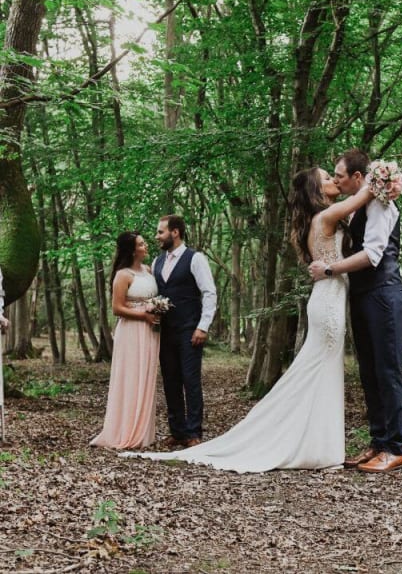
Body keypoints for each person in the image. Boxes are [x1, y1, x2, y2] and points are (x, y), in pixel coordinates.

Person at [126, 168, 376, 471]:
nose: (334, 181)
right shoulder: (327, 216)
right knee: (319, 369)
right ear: (315, 190)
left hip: (330, 299)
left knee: (323, 370)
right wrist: (384, 174)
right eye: (327, 178)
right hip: (327, 303)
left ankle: (321, 444)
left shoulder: (321, 218)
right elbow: (366, 192)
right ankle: (311, 443)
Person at [310, 149, 402, 473]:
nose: (336, 180)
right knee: (368, 372)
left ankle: (395, 448)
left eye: (339, 175)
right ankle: (378, 442)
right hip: (362, 296)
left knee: (387, 370)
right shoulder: (352, 208)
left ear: (357, 177)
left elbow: (373, 255)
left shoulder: (379, 204)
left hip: (384, 293)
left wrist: (330, 270)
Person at [90, 232, 161, 449]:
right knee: (131, 377)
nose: (145, 245)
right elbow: (117, 308)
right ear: (132, 250)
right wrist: (144, 315)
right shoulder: (123, 275)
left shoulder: (149, 270)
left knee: (146, 377)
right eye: (141, 244)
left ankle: (143, 431)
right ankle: (125, 430)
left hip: (150, 332)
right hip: (131, 331)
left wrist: (158, 308)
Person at [153, 215, 217, 448]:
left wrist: (203, 326)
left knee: (190, 380)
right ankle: (177, 431)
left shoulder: (195, 258)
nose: (157, 236)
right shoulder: (156, 262)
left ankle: (193, 432)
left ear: (175, 232)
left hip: (190, 329)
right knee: (170, 380)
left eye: (161, 232)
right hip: (164, 332)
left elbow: (209, 292)